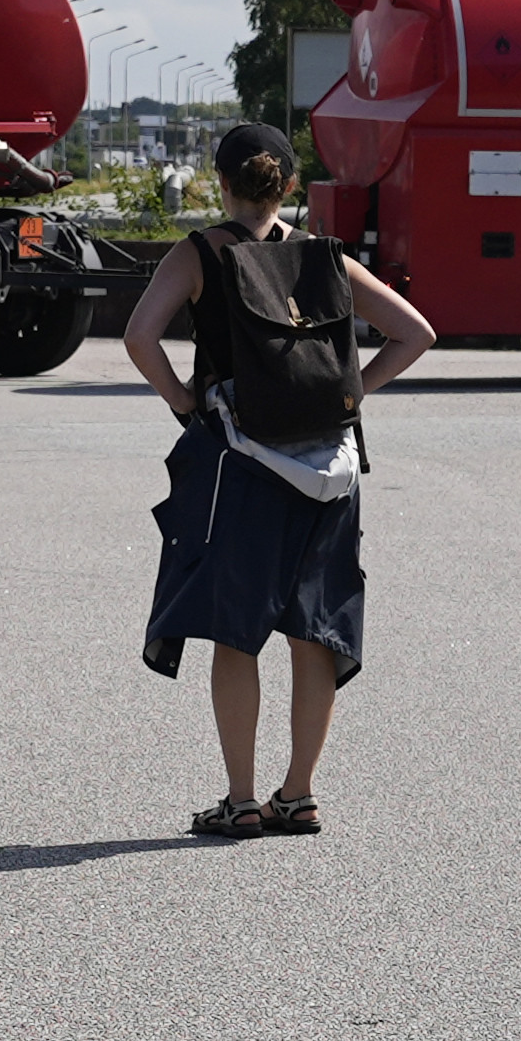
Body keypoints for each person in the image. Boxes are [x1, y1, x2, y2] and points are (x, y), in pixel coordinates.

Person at [117, 125, 433, 838]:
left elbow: (140, 336)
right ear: (287, 185)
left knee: (237, 632)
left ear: (220, 183)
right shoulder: (323, 258)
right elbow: (416, 333)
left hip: (243, 467)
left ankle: (240, 799)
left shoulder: (200, 253)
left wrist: (181, 399)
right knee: (313, 631)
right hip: (331, 466)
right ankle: (298, 794)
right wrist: (352, 391)